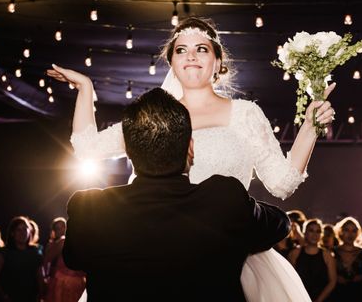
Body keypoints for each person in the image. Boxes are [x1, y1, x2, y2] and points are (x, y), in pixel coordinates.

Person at [48, 16, 335, 301]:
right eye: (181, 50)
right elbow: (87, 149)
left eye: (202, 49)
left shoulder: (244, 114)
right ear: (171, 62)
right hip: (151, 251)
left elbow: (282, 183)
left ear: (218, 61)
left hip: (226, 257)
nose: (191, 57)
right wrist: (85, 89)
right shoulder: (156, 117)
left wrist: (309, 128)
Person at [62, 87, 293, 301]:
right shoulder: (223, 200)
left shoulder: (89, 208)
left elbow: (73, 258)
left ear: (129, 153)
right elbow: (281, 224)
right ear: (190, 148)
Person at [288, 218, 337, 302]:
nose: (315, 234)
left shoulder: (327, 255)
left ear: (321, 234)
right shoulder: (294, 254)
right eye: (311, 230)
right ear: (305, 233)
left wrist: (318, 300)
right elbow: (289, 279)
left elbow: (332, 281)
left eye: (318, 231)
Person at [41, 217, 86, 302]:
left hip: (78, 284)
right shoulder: (62, 242)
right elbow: (46, 261)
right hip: (63, 284)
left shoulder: (77, 242)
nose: (61, 230)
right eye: (58, 228)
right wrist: (45, 278)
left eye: (63, 227)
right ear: (54, 231)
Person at [332, 216, 362, 302]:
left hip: (359, 294)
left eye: (354, 231)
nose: (350, 234)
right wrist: (334, 277)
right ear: (341, 232)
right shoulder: (332, 252)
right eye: (347, 230)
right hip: (337, 294)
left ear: (357, 233)